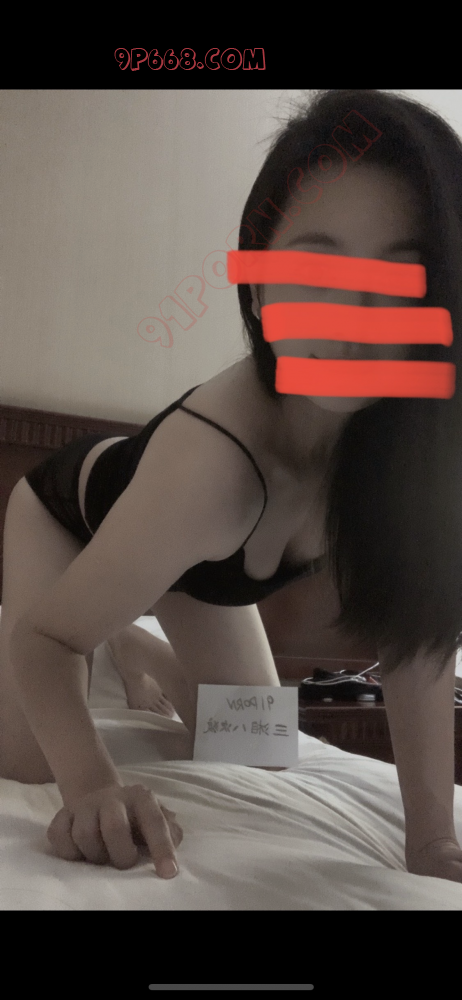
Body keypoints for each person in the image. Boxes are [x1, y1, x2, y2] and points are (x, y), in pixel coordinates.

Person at [2, 88, 462, 885]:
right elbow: (44, 641)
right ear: (257, 282)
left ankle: (135, 637)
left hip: (189, 558)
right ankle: (117, 631)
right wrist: (94, 786)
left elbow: (417, 647)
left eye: (402, 279)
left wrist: (433, 846)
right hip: (70, 515)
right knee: (28, 758)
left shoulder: (408, 454)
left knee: (261, 748)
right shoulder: (211, 471)